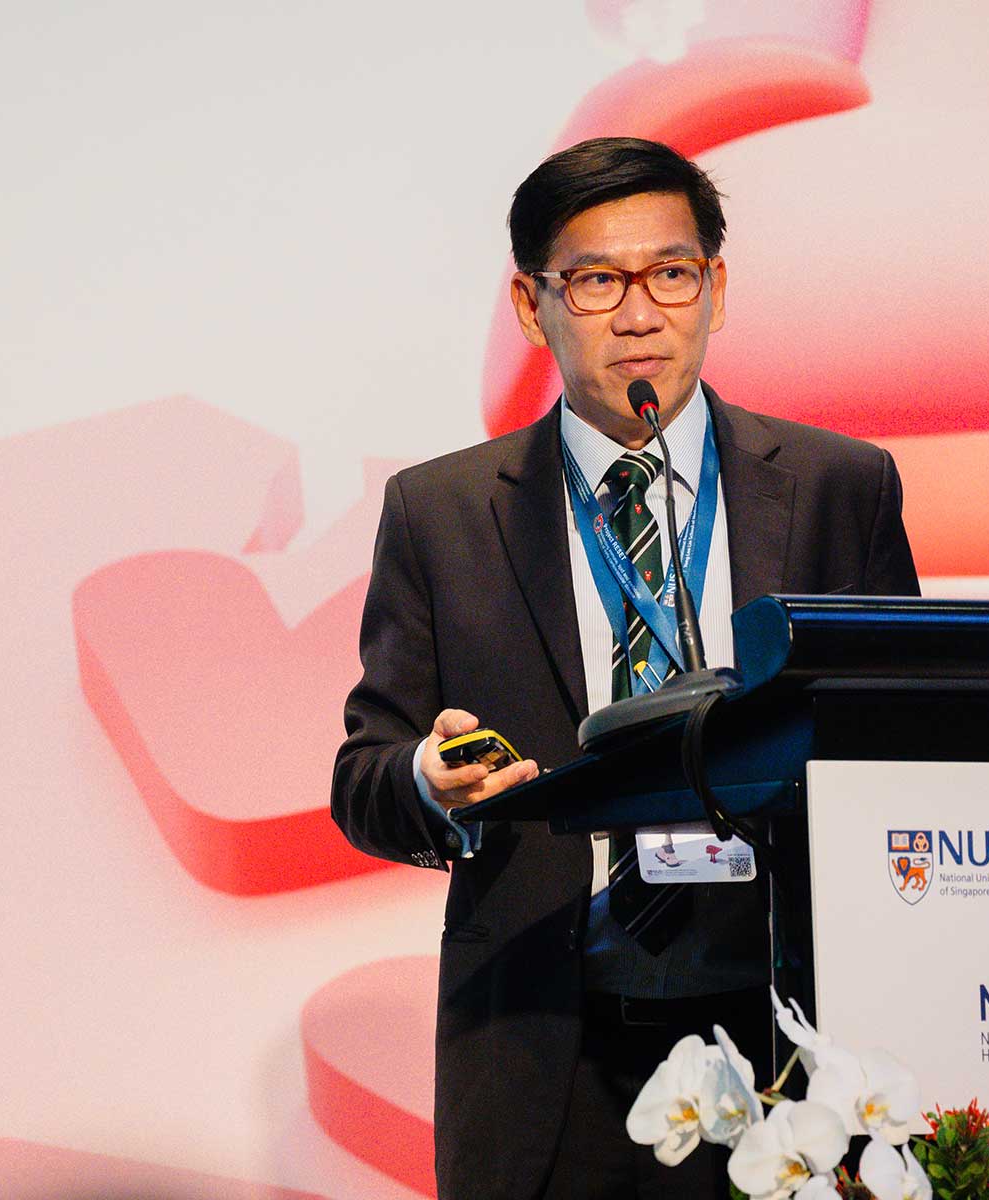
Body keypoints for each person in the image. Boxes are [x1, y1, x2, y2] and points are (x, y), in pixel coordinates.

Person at [331, 137, 919, 1198]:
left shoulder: (840, 488)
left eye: (671, 273)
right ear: (530, 305)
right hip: (551, 1045)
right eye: (596, 281)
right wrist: (427, 776)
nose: (640, 314)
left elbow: (904, 749)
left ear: (716, 287)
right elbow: (364, 777)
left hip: (798, 1042)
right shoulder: (444, 513)